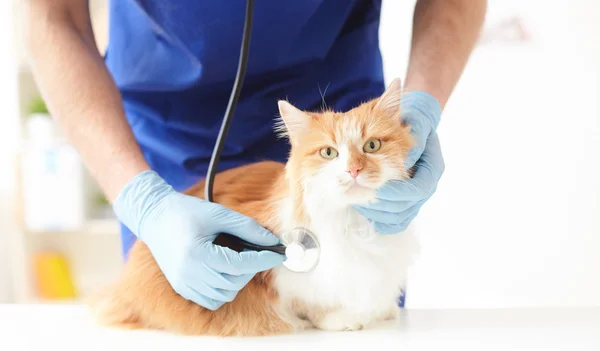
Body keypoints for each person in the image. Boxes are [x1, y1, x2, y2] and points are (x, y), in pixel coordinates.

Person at [23, 0, 486, 311]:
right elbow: (52, 18)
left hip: (335, 116)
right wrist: (140, 198)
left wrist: (419, 109)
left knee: (356, 330)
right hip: (167, 136)